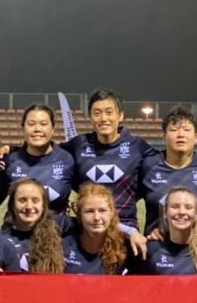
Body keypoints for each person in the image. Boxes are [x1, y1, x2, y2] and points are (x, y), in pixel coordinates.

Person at [61, 88, 156, 230]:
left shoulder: (138, 147)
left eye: (109, 112)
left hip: (126, 230)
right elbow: (49, 157)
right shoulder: (78, 145)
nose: (103, 118)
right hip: (87, 230)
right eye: (97, 113)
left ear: (121, 115)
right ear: (91, 117)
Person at [139, 106, 197, 235]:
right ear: (164, 137)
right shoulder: (148, 166)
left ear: (196, 138)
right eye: (173, 130)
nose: (180, 135)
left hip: (195, 248)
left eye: (186, 129)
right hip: (156, 248)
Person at [0, 105, 75, 218]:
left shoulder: (68, 159)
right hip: (18, 233)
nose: (37, 129)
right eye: (31, 124)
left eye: (43, 124)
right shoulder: (9, 161)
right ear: (23, 128)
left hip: (57, 232)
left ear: (53, 129)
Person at [131, 188, 197, 276]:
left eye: (188, 207)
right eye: (175, 206)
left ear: (196, 214)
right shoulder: (151, 250)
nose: (182, 212)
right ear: (165, 213)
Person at [0, 178, 69, 273]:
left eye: (35, 201)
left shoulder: (60, 233)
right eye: (22, 200)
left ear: (43, 206)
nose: (29, 207)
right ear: (12, 205)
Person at [62, 184, 131, 275]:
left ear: (111, 213)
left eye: (102, 210)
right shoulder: (63, 248)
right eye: (89, 211)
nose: (96, 217)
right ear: (79, 215)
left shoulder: (125, 249)